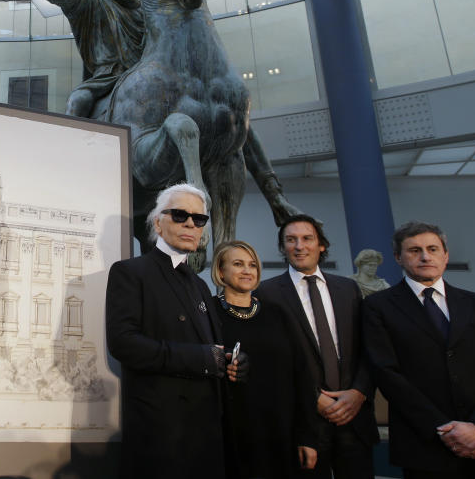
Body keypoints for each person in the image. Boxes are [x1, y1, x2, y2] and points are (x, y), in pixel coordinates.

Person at [105, 182, 248, 479]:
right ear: (158, 222)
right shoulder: (130, 272)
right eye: (180, 215)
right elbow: (123, 344)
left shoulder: (200, 284)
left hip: (208, 433)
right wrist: (202, 359)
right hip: (163, 436)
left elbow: (209, 349)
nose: (190, 224)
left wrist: (231, 364)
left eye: (199, 219)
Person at [363, 221, 475, 478]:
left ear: (446, 255)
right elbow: (386, 372)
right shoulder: (378, 307)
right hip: (425, 446)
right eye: (414, 250)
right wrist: (445, 431)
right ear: (398, 257)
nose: (425, 256)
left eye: (432, 248)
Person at [255, 214, 378, 478]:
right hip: (303, 424)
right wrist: (313, 398)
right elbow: (269, 362)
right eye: (291, 240)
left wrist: (358, 392)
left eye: (307, 238)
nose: (299, 246)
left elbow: (368, 349)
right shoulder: (265, 294)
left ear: (321, 245)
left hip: (354, 418)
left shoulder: (349, 289)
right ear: (282, 248)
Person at [211, 240, 319, 478]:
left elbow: (301, 376)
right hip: (228, 436)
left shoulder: (278, 313)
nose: (248, 270)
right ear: (220, 271)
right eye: (238, 264)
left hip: (281, 433)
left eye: (252, 265)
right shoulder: (207, 313)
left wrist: (307, 436)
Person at [12, 0, 144, 117]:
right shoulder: (90, 2)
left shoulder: (147, 3)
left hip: (146, 74)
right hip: (106, 79)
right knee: (77, 101)